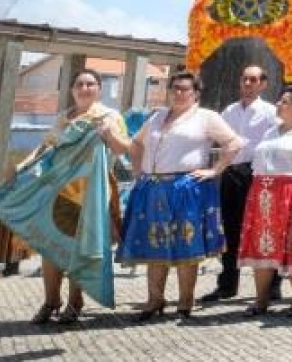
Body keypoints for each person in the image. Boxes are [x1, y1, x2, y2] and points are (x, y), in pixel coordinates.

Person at [120, 72, 242, 321]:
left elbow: (234, 143)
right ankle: (155, 300)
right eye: (174, 88)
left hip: (187, 187)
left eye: (184, 89)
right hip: (153, 187)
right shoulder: (157, 117)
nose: (178, 93)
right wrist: (138, 172)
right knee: (155, 244)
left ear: (195, 93)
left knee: (186, 244)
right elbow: (136, 144)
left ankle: (186, 300)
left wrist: (213, 170)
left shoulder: (206, 117)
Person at [25, 69, 131, 324]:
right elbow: (45, 148)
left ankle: (75, 301)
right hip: (59, 192)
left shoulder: (109, 116)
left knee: (79, 249)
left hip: (90, 194)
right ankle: (51, 300)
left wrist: (108, 134)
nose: (85, 88)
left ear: (99, 89)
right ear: (72, 89)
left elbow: (123, 149)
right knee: (50, 247)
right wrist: (21, 168)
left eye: (90, 84)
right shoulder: (63, 117)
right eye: (79, 84)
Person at [237, 86, 292, 317]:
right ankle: (261, 300)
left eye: (284, 102)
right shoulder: (271, 131)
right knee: (263, 245)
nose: (278, 105)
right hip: (264, 194)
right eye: (280, 100)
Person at [205, 65, 281, 303]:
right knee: (230, 228)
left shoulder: (271, 112)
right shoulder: (229, 111)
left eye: (253, 80)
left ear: (263, 84)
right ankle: (227, 283)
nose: (248, 84)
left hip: (258, 174)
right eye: (245, 79)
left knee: (265, 227)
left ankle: (271, 285)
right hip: (231, 173)